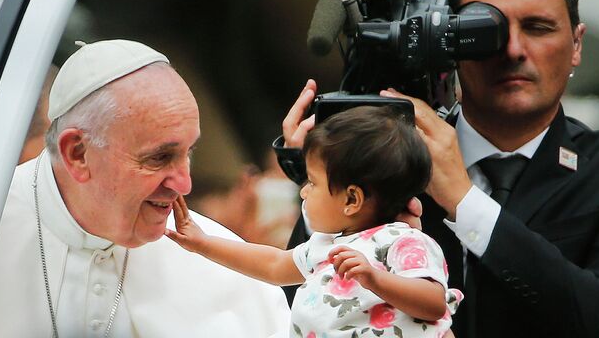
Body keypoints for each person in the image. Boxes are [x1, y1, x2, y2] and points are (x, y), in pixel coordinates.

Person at [282, 0, 599, 337]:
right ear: (450, 43)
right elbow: (295, 310)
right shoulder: (390, 161)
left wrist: (466, 204)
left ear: (577, 44)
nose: (513, 49)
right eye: (486, 30)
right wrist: (328, 182)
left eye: (538, 27)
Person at [0, 39, 290, 338]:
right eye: (159, 158)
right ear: (77, 153)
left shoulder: (236, 277)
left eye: (187, 153)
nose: (184, 184)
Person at [167, 105, 463, 338]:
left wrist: (375, 279)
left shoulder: (404, 240)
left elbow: (434, 302)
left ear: (351, 200)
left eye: (312, 182)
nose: (304, 190)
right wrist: (203, 243)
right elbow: (273, 265)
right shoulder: (325, 244)